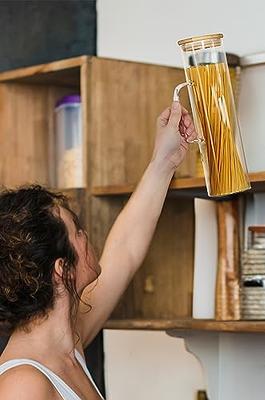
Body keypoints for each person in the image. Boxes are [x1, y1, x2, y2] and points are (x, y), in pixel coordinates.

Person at [0, 102, 196, 399]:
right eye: (76, 229)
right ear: (61, 270)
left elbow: (125, 250)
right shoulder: (23, 384)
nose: (86, 235)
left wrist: (165, 159)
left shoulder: (67, 344)